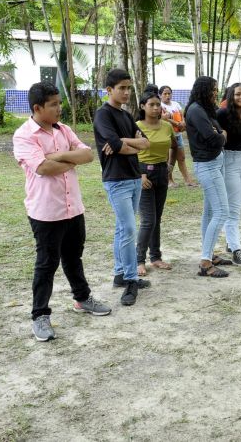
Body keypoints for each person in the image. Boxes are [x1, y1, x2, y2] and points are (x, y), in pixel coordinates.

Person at [13, 82, 110, 341]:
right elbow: (42, 169)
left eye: (59, 102)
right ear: (37, 108)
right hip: (46, 211)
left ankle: (82, 298)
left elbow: (88, 155)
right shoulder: (24, 135)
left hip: (73, 208)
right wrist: (68, 158)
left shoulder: (64, 130)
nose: (59, 108)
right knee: (46, 264)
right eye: (54, 104)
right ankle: (40, 315)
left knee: (73, 257)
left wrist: (54, 156)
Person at [93, 69, 152, 305]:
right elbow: (116, 146)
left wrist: (124, 142)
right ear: (109, 90)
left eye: (129, 88)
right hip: (116, 180)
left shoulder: (127, 117)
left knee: (122, 228)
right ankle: (130, 280)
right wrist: (124, 144)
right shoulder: (103, 115)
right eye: (122, 88)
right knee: (128, 229)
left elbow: (145, 143)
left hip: (134, 177)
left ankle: (120, 272)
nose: (127, 92)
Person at [186, 76, 232, 278]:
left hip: (215, 163)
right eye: (213, 89)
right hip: (207, 165)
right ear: (204, 90)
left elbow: (219, 131)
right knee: (222, 212)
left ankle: (210, 254)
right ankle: (205, 262)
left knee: (210, 212)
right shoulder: (196, 110)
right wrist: (221, 136)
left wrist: (219, 133)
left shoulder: (204, 109)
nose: (216, 93)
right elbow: (214, 138)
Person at [214, 83, 241, 267]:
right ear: (231, 96)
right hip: (229, 162)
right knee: (232, 210)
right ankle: (237, 251)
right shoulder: (222, 114)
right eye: (238, 94)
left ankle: (231, 243)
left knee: (237, 206)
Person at [135, 91, 174, 276]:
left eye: (158, 105)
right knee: (148, 220)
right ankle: (139, 260)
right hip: (143, 173)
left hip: (161, 172)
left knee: (157, 218)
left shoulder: (167, 126)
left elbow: (174, 146)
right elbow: (129, 152)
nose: (156, 108)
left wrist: (170, 166)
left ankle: (156, 257)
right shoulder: (135, 126)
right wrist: (140, 175)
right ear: (142, 106)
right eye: (151, 104)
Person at [159, 85, 195, 187]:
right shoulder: (160, 105)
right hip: (166, 135)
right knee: (167, 159)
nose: (167, 96)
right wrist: (177, 124)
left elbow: (182, 114)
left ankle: (188, 180)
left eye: (169, 93)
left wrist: (183, 122)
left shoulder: (175, 104)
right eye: (165, 94)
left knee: (182, 158)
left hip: (178, 135)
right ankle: (169, 180)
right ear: (160, 95)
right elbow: (164, 118)